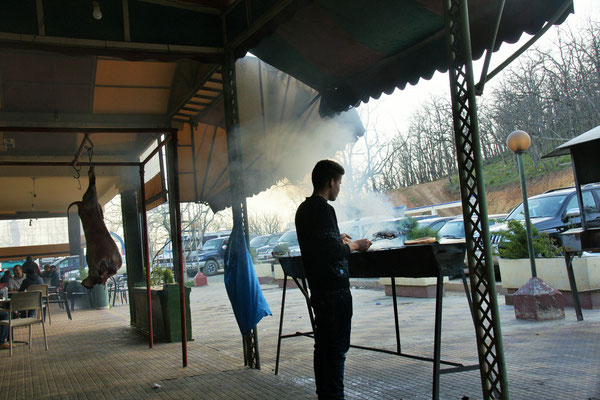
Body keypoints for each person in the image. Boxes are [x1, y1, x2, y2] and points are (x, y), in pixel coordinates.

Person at [295, 160, 372, 400]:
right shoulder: (325, 209)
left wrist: (335, 237)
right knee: (337, 351)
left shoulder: (303, 209)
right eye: (339, 183)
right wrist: (356, 245)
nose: (339, 188)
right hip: (335, 293)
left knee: (324, 349)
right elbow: (330, 252)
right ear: (331, 182)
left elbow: (317, 244)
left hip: (318, 290)